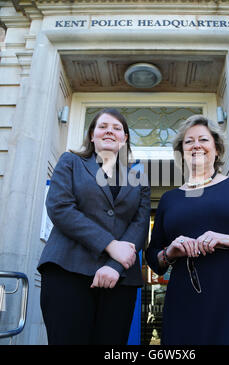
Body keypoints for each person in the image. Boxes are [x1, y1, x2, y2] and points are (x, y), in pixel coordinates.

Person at [145, 114, 229, 345]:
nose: (196, 145)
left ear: (216, 149)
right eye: (189, 141)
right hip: (185, 299)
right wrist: (171, 251)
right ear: (182, 152)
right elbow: (153, 258)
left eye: (203, 140)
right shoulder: (169, 199)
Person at [37, 108, 150, 345]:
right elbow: (60, 208)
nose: (110, 131)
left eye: (117, 128)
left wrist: (116, 265)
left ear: (125, 138)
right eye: (103, 126)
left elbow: (140, 224)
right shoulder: (71, 161)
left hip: (120, 280)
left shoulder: (138, 176)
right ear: (91, 135)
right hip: (67, 270)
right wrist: (109, 245)